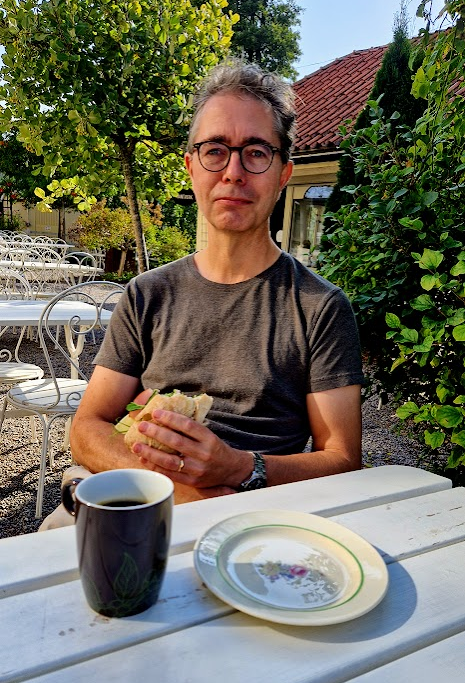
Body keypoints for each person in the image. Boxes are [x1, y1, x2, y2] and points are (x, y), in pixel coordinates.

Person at [40, 58, 364, 530]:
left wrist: (240, 468)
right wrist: (178, 491)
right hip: (134, 497)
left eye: (256, 152)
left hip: (256, 517)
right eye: (215, 150)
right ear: (191, 167)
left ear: (283, 174)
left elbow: (342, 459)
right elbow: (87, 427)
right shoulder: (146, 294)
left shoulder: (319, 307)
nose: (233, 171)